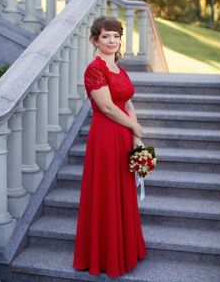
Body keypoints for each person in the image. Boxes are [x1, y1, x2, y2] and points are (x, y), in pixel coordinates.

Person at [73, 16, 147, 278]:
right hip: (105, 137)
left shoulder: (119, 68)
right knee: (106, 193)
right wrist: (134, 127)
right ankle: (105, 255)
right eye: (106, 36)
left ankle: (125, 251)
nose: (112, 41)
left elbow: (127, 102)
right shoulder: (94, 70)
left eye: (116, 36)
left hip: (124, 134)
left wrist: (136, 135)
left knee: (123, 191)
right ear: (95, 40)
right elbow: (106, 107)